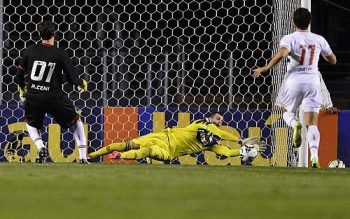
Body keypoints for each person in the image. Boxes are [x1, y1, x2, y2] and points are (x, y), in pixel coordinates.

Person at [252, 8, 337, 168]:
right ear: (310, 21)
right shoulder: (319, 39)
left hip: (294, 80)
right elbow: (332, 60)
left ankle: (294, 124)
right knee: (312, 123)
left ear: (293, 22)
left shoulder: (289, 38)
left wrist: (265, 68)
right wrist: (324, 55)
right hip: (312, 81)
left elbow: (282, 54)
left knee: (287, 112)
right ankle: (314, 158)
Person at [14, 20, 89, 164]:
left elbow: (19, 74)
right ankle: (82, 156)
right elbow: (72, 78)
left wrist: (22, 89)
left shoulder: (30, 50)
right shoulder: (59, 53)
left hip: (33, 96)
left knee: (30, 123)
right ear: (54, 34)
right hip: (54, 97)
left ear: (39, 34)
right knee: (76, 120)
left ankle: (40, 146)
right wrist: (81, 83)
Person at [88, 112, 266, 162]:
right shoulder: (200, 124)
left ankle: (120, 157)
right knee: (127, 143)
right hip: (161, 135)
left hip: (167, 150)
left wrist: (242, 151)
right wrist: (239, 140)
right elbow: (219, 132)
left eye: (222, 120)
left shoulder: (209, 142)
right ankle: (92, 155)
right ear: (211, 118)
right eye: (218, 119)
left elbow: (225, 152)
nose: (220, 122)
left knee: (147, 151)